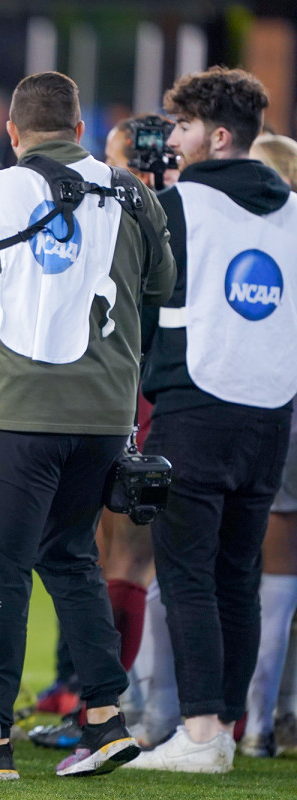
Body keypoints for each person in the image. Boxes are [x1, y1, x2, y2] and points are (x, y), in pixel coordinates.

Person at [0, 70, 175, 780]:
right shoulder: (131, 190)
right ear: (80, 128)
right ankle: (105, 717)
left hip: (16, 413)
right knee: (71, 561)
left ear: (11, 131)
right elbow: (160, 286)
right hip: (103, 417)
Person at [127, 67, 297, 774]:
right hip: (272, 411)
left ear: (217, 135)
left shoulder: (176, 206)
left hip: (196, 404)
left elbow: (138, 310)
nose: (175, 139)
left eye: (186, 127)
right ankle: (224, 722)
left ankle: (199, 734)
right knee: (237, 574)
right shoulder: (292, 209)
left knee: (189, 573)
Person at [242, 132, 297, 759]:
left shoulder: (262, 239)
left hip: (276, 413)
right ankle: (282, 716)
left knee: (272, 585)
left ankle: (259, 723)